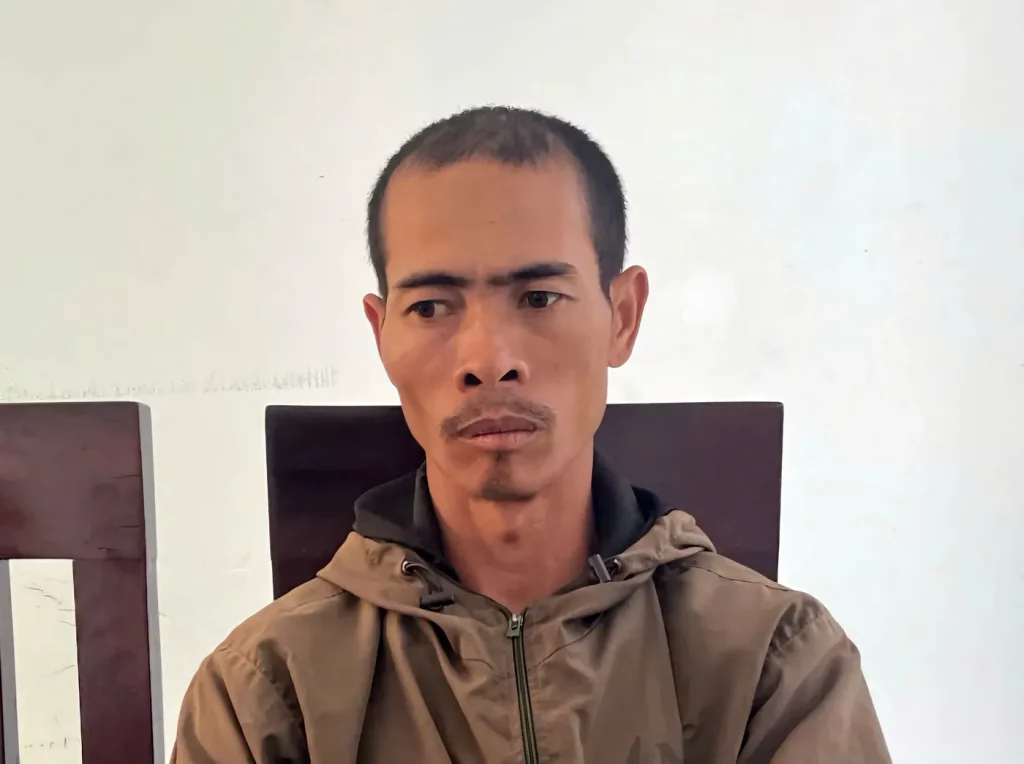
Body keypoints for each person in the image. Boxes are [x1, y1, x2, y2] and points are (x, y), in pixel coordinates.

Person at [170, 106, 891, 763]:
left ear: (622, 316)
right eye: (431, 307)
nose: (489, 360)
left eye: (540, 297)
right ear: (381, 332)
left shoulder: (775, 663)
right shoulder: (267, 692)